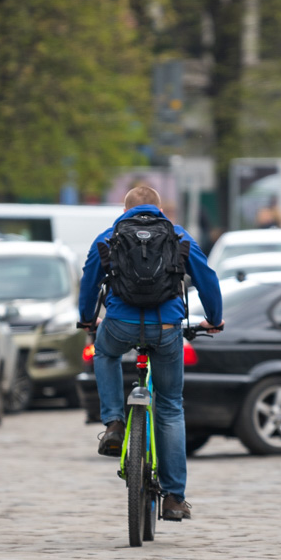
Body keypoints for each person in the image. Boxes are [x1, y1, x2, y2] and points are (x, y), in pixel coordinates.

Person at [78, 186, 224, 521]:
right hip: (167, 328)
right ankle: (174, 498)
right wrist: (214, 319)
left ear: (125, 207)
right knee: (170, 407)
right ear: (159, 208)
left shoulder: (107, 237)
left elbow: (89, 282)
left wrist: (88, 318)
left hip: (119, 325)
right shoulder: (179, 236)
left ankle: (114, 423)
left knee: (104, 353)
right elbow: (208, 280)